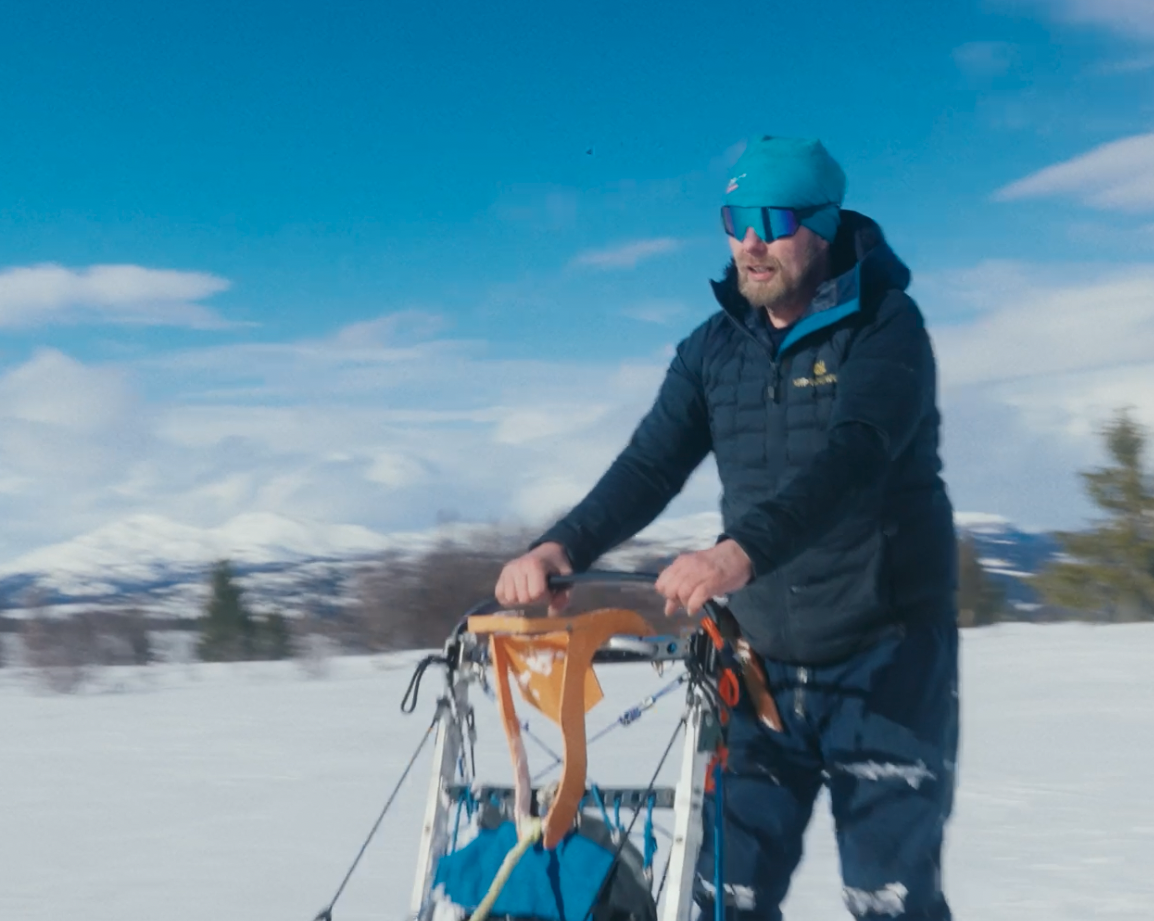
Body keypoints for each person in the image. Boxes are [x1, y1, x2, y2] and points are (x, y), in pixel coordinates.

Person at [494, 136, 959, 921]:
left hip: (886, 660)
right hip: (759, 668)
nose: (749, 241)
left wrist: (740, 551)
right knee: (723, 900)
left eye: (772, 219)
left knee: (890, 902)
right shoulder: (713, 349)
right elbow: (649, 465)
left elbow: (856, 458)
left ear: (823, 224)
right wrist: (558, 545)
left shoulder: (887, 327)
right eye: (734, 219)